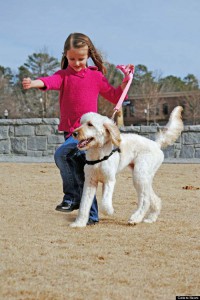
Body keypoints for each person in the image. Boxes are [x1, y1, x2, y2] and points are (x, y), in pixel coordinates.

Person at [22, 32, 134, 225]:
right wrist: (34, 83)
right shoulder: (63, 76)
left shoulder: (96, 76)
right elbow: (49, 82)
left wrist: (125, 82)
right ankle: (90, 216)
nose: (76, 62)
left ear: (88, 55)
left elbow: (116, 96)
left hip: (89, 137)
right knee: (84, 174)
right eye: (72, 58)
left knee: (62, 155)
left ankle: (72, 197)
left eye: (81, 58)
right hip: (71, 132)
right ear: (65, 55)